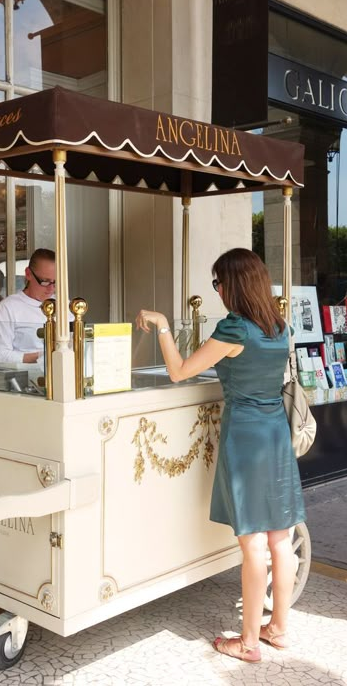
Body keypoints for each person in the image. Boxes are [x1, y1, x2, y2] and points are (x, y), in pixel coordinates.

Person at [135, 248, 306, 664]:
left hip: (245, 438)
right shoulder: (278, 327)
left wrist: (161, 326)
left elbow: (179, 371)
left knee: (252, 546)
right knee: (280, 539)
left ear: (231, 285)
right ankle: (278, 629)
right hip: (275, 436)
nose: (217, 291)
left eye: (217, 283)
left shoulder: (235, 329)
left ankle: (247, 643)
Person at [0, 248, 57, 366]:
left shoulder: (67, 306)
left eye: (55, 282)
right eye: (45, 281)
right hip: (24, 381)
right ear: (28, 274)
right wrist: (42, 356)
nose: (51, 289)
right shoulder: (8, 307)